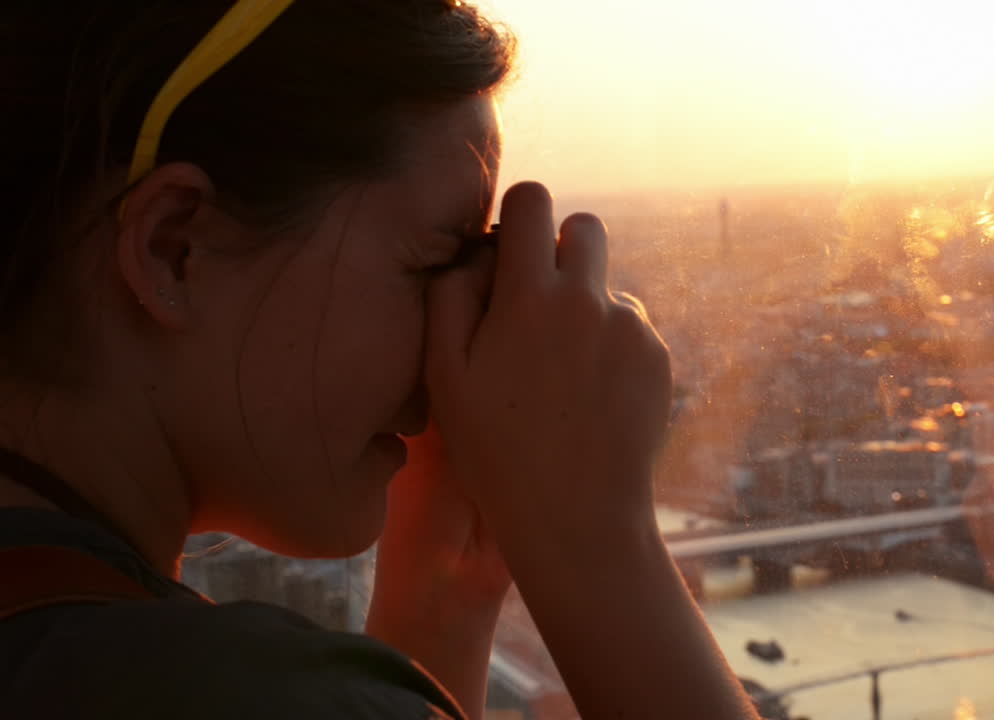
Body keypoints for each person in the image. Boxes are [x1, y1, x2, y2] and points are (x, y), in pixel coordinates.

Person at [0, 1, 760, 718]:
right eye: (439, 259)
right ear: (175, 250)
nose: (453, 331)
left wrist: (443, 595)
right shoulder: (227, 695)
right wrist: (597, 540)